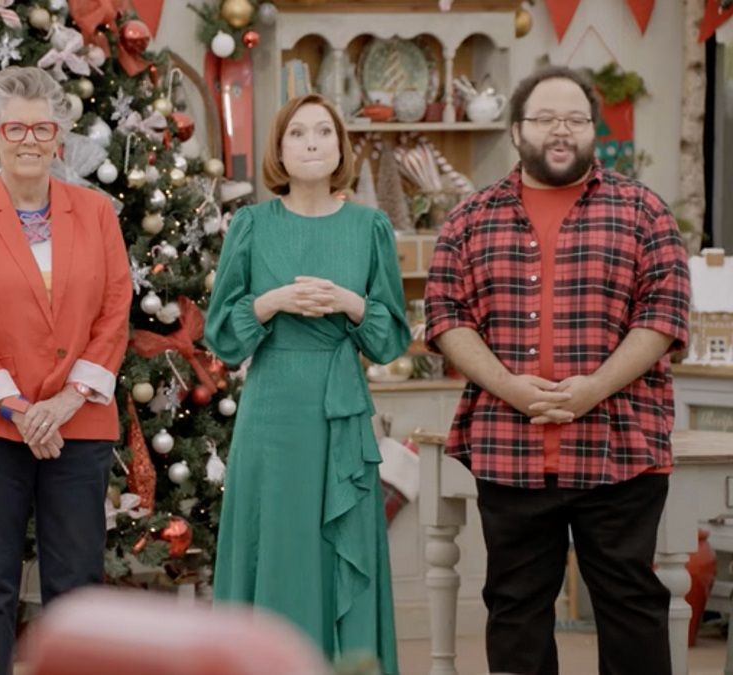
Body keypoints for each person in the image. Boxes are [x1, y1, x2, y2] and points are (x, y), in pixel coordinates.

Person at [424, 66, 691, 675]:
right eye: (546, 118)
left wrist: (594, 387)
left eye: (575, 118)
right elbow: (445, 315)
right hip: (510, 451)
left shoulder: (643, 210)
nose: (561, 130)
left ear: (593, 131)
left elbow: (664, 312)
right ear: (518, 130)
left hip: (619, 449)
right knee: (515, 610)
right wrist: (511, 388)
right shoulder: (470, 218)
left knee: (631, 608)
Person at [0, 66, 132, 675]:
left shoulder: (97, 213)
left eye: (41, 127)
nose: (28, 140)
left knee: (76, 594)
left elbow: (115, 310)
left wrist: (66, 403)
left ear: (60, 137)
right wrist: (21, 410)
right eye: (14, 128)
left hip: (78, 425)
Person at [205, 93, 409, 671]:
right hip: (271, 411)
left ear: (342, 147)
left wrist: (350, 303)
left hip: (340, 410)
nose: (313, 142)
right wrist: (270, 302)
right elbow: (222, 335)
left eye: (324, 132)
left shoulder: (370, 227)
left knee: (337, 548)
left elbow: (392, 338)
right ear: (280, 148)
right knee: (274, 545)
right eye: (298, 132)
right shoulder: (250, 224)